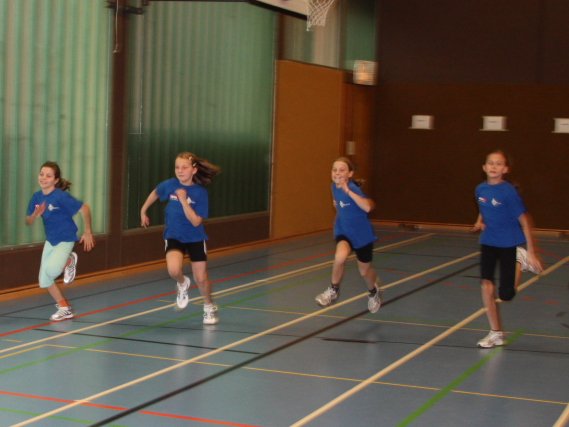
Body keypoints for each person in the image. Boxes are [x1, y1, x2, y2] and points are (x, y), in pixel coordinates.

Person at [140, 151, 221, 325]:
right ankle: (183, 283)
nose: (180, 171)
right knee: (174, 271)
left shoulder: (200, 193)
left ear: (194, 170)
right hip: (174, 235)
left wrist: (183, 200)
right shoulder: (170, 184)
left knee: (201, 279)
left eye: (184, 167)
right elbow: (156, 192)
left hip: (195, 237)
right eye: (177, 167)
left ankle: (208, 306)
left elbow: (196, 221)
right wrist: (143, 210)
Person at [473, 149, 543, 348]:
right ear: (484, 167)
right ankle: (495, 333)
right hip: (488, 242)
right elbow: (484, 206)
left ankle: (520, 259)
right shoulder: (480, 189)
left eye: (499, 163)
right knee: (486, 286)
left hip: (508, 243)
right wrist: (480, 220)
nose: (494, 166)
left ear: (505, 169)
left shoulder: (509, 192)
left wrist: (531, 251)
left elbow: (524, 220)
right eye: (491, 163)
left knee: (506, 295)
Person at [26, 161, 95, 321]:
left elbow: (84, 208)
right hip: (51, 240)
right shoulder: (37, 197)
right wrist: (35, 214)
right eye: (41, 174)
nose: (43, 178)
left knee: (51, 271)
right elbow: (28, 220)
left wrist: (88, 231)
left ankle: (69, 260)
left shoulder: (61, 196)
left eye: (48, 176)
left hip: (66, 238)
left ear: (55, 180)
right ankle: (64, 308)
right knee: (44, 281)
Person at [315, 157, 382, 313]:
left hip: (361, 235)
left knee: (364, 272)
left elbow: (367, 208)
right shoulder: (333, 186)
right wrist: (338, 207)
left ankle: (373, 291)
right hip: (344, 231)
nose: (337, 173)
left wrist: (348, 192)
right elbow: (340, 205)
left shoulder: (353, 189)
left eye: (342, 170)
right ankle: (333, 289)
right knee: (339, 257)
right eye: (334, 170)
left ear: (350, 174)